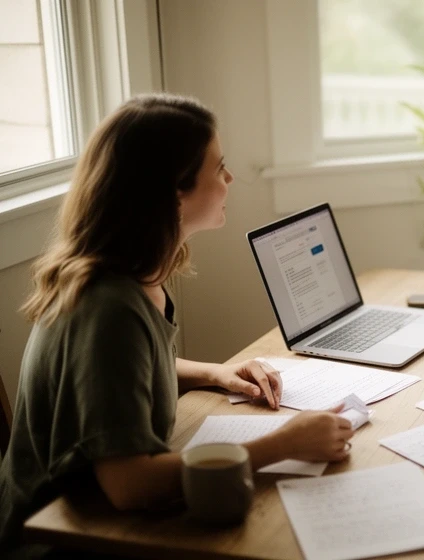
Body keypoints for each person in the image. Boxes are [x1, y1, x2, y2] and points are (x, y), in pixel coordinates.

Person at [0, 94, 355, 558]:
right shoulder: (108, 308)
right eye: (219, 167)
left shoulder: (135, 275)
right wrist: (282, 444)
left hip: (104, 520)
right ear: (172, 193)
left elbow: (127, 371)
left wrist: (216, 373)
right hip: (64, 538)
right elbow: (130, 486)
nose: (229, 179)